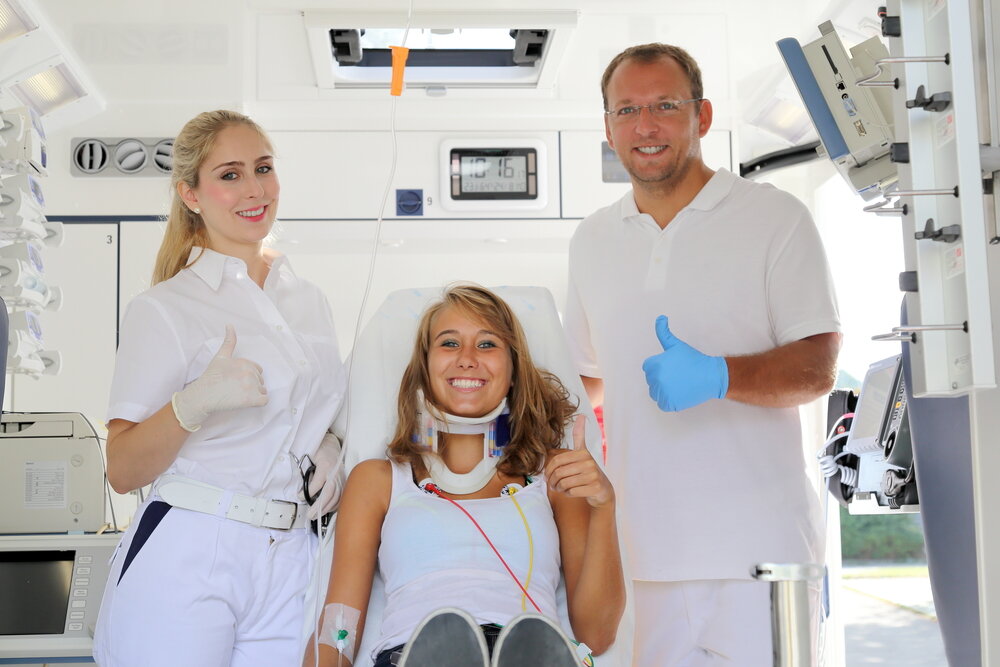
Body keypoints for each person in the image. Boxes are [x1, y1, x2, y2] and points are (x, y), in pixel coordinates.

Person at [564, 44, 842, 665]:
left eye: (665, 105)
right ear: (608, 128)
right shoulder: (592, 240)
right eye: (627, 110)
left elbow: (817, 366)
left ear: (703, 116)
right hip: (639, 557)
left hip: (761, 554)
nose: (646, 125)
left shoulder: (775, 218)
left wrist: (720, 375)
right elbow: (584, 381)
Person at [92, 110, 347, 666]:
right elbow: (123, 468)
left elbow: (314, 411)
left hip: (293, 555)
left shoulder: (309, 300)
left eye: (263, 168)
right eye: (230, 175)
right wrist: (192, 404)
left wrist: (331, 446)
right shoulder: (165, 307)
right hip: (193, 546)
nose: (255, 189)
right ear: (191, 194)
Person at [307, 285, 625, 667]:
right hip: (414, 653)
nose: (468, 359)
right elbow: (338, 628)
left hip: (531, 651)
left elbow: (597, 635)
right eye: (449, 343)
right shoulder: (377, 480)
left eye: (487, 344)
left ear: (513, 371)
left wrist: (604, 506)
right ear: (424, 368)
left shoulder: (557, 475)